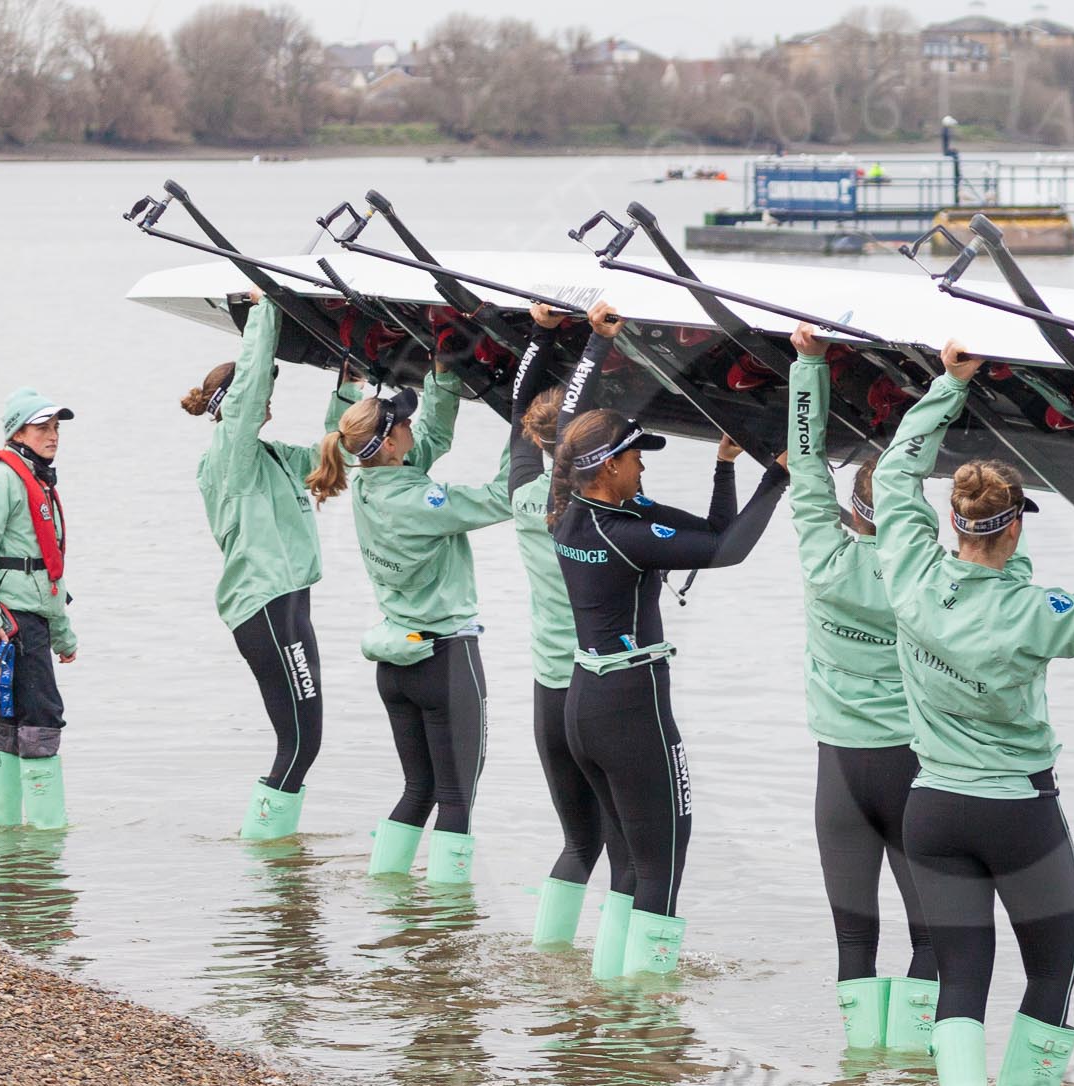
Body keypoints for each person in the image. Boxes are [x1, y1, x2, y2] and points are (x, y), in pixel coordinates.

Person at [875, 339, 1074, 1086]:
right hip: (1018, 813)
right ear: (1014, 530)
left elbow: (896, 472)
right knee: (1050, 972)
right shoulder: (1036, 613)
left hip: (930, 808)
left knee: (963, 976)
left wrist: (948, 383)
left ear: (956, 525)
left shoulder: (910, 574)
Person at [549, 383, 790, 979]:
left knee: (629, 862)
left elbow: (712, 537)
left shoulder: (576, 515)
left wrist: (725, 466)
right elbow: (729, 554)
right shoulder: (626, 533)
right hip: (632, 709)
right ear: (606, 467)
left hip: (585, 704)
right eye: (635, 457)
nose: (643, 466)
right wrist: (777, 480)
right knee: (665, 855)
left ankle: (611, 992)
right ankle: (646, 1016)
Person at [785, 323, 939, 1051]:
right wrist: (949, 390)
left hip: (838, 775)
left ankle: (858, 1076)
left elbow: (807, 466)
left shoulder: (823, 556)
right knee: (932, 933)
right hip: (914, 769)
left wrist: (807, 365)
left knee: (854, 937)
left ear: (853, 513)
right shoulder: (929, 579)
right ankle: (910, 1077)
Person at [306, 358, 506, 883]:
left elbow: (432, 435)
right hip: (446, 662)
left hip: (397, 666)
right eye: (402, 423)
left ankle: (385, 898)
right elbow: (504, 497)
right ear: (391, 445)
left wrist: (442, 371)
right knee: (458, 798)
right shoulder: (419, 498)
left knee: (418, 791)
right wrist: (528, 433)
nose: (410, 425)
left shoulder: (369, 484)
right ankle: (447, 924)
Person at [181, 293, 355, 839]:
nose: (268, 402)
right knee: (301, 740)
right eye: (263, 395)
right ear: (232, 408)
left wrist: (349, 383)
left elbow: (336, 451)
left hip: (288, 606)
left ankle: (275, 857)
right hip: (263, 607)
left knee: (307, 738)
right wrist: (266, 308)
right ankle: (266, 854)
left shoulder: (274, 457)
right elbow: (250, 381)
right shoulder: (228, 457)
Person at [511, 301, 636, 957]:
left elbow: (521, 416)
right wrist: (590, 342)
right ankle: (617, 987)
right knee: (623, 848)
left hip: (546, 693)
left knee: (578, 843)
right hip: (595, 695)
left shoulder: (523, 496)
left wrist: (544, 334)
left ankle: (546, 960)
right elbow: (563, 436)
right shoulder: (573, 510)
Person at [0, 389, 78, 829]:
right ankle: (47, 839)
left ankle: (5, 838)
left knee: (12, 719)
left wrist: (64, 635)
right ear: (17, 431)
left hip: (33, 618)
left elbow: (49, 569)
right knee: (40, 714)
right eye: (42, 427)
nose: (53, 436)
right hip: (10, 620)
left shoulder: (38, 479)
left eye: (56, 428)